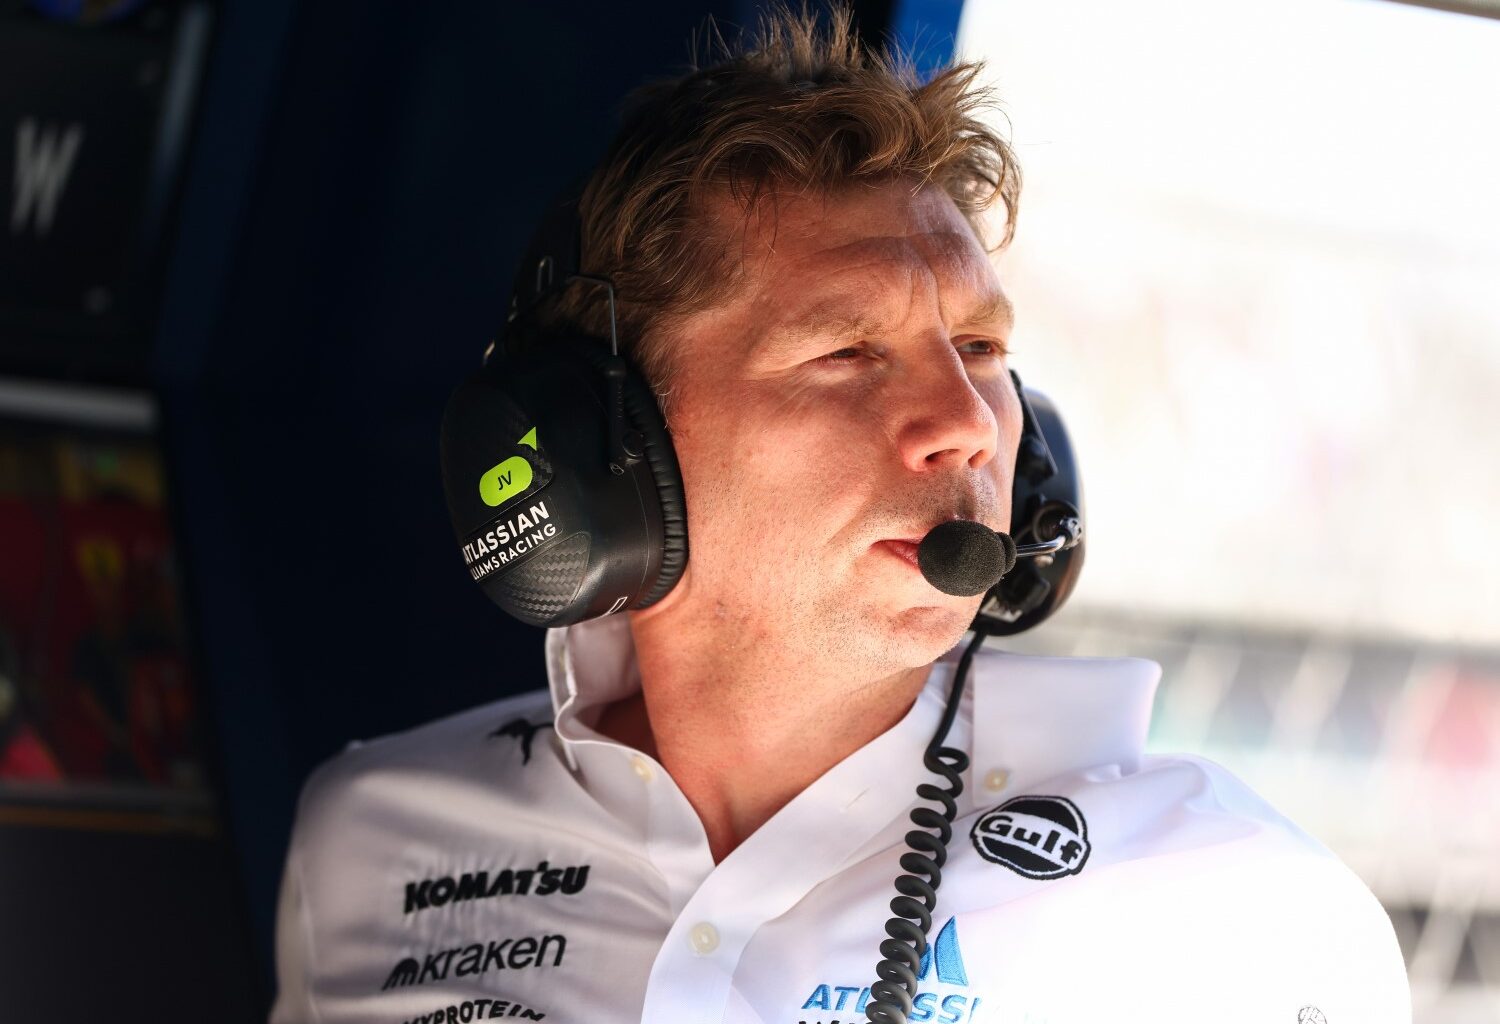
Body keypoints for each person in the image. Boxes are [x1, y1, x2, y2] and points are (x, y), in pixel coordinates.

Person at [269, 5, 1410, 1022]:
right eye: (847, 351)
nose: (965, 421)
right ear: (604, 451)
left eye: (979, 349)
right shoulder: (369, 840)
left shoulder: (1238, 907)